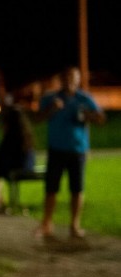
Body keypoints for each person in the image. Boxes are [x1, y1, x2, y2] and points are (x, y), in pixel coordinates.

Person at [32, 65, 105, 239]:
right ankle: (47, 223)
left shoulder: (84, 99)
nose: (70, 81)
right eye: (67, 77)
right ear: (62, 80)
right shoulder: (51, 98)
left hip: (78, 149)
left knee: (77, 189)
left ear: (79, 79)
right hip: (56, 149)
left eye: (74, 78)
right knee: (51, 188)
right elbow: (36, 119)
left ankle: (74, 225)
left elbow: (101, 118)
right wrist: (52, 109)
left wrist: (88, 115)